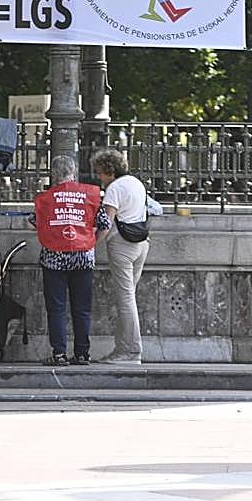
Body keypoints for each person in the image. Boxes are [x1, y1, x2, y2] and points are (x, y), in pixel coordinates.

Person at [27, 155, 110, 366]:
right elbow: (105, 224)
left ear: (54, 175)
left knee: (57, 308)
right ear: (74, 172)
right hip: (83, 257)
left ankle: (59, 354)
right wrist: (91, 243)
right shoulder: (89, 195)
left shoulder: (47, 198)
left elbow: (33, 223)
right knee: (82, 308)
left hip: (54, 259)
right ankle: (82, 353)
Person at [91, 148, 150, 365]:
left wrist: (91, 244)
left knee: (125, 300)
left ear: (109, 170)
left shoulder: (114, 188)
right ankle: (123, 348)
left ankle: (130, 351)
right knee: (129, 299)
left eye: (100, 172)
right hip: (141, 244)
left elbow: (106, 223)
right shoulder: (136, 183)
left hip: (122, 246)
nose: (99, 177)